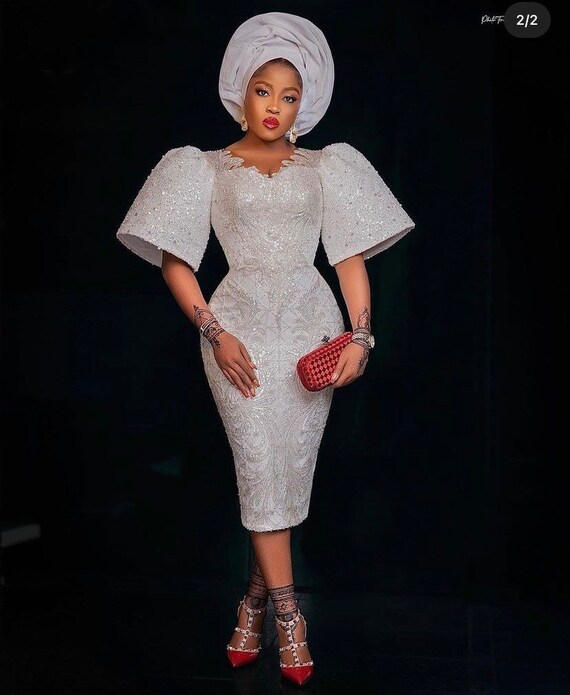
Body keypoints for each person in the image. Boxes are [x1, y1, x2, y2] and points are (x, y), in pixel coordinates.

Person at [116, 11, 415, 687]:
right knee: (257, 464)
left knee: (285, 472)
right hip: (237, 334)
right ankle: (289, 616)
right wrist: (213, 331)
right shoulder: (203, 168)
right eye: (263, 91)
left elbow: (348, 258)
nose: (275, 106)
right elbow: (175, 261)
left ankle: (250, 605)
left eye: (289, 95)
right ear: (240, 92)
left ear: (304, 102)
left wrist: (362, 336)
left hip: (311, 330)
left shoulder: (327, 166)